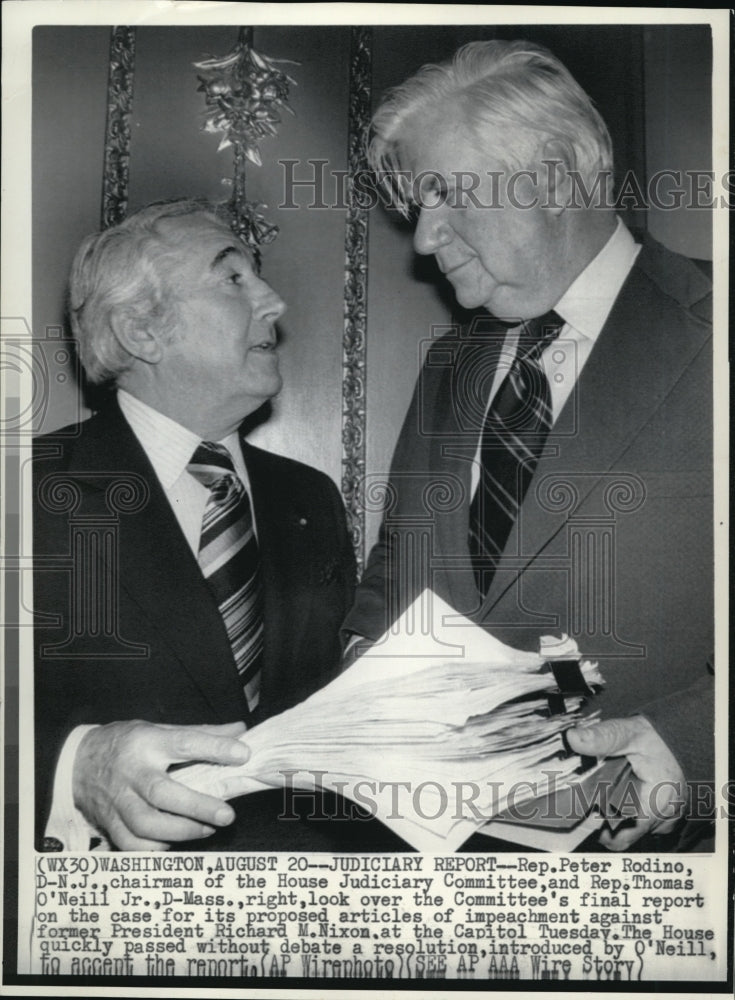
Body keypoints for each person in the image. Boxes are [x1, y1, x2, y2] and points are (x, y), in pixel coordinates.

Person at [344, 40, 714, 850]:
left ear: (549, 175)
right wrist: (359, 683)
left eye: (442, 192)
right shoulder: (451, 366)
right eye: (415, 204)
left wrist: (694, 744)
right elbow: (395, 569)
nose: (423, 237)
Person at [33, 199, 356, 852]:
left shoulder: (310, 498)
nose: (272, 301)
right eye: (232, 278)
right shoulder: (29, 490)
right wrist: (74, 766)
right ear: (140, 330)